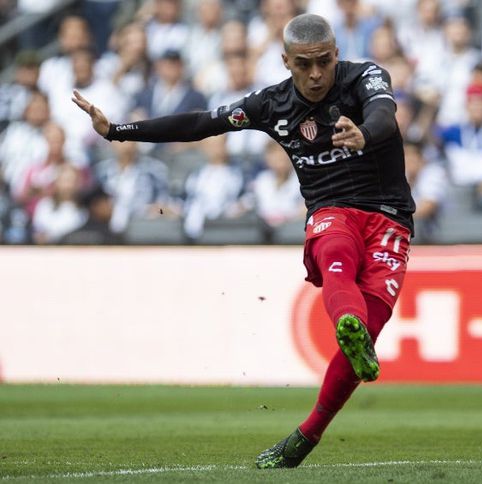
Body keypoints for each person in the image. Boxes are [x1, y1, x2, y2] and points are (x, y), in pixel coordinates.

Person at [72, 13, 415, 468]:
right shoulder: (271, 104)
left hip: (389, 217)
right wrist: (118, 131)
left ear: (336, 54)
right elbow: (201, 124)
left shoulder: (365, 76)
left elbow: (384, 115)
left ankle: (307, 434)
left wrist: (364, 134)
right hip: (331, 210)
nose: (316, 74)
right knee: (335, 248)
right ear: (286, 62)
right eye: (304, 64)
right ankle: (347, 321)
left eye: (324, 62)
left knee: (367, 338)